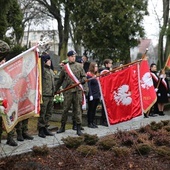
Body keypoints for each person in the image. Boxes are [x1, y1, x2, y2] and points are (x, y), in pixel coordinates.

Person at [55, 50, 88, 136]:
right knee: (65, 109)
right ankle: (62, 127)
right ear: (68, 57)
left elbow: (84, 76)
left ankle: (78, 128)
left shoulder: (79, 66)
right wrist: (55, 90)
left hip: (77, 91)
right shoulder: (65, 68)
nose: (74, 58)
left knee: (77, 110)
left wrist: (83, 80)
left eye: (74, 56)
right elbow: (60, 80)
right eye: (72, 56)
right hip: (68, 92)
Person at [37, 54, 55, 138]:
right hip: (44, 94)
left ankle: (45, 127)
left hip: (51, 94)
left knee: (49, 112)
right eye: (48, 60)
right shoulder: (42, 70)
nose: (50, 61)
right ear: (44, 61)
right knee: (43, 113)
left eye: (50, 59)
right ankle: (41, 129)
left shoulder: (51, 71)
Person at [86, 62, 100, 128]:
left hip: (97, 95)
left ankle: (93, 122)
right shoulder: (89, 75)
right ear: (92, 67)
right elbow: (89, 86)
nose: (97, 68)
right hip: (92, 95)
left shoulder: (96, 75)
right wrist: (90, 95)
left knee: (94, 109)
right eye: (95, 66)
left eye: (97, 66)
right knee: (91, 109)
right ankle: (89, 122)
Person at [99, 59, 113, 126]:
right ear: (106, 64)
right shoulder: (104, 71)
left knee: (107, 107)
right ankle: (103, 120)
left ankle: (106, 120)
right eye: (110, 63)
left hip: (108, 91)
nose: (111, 65)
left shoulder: (109, 70)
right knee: (104, 107)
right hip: (105, 91)